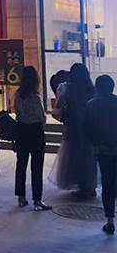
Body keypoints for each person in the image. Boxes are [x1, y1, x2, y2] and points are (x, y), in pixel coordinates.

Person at [51, 63, 98, 198]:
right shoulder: (91, 89)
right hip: (89, 128)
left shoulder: (67, 88)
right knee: (89, 158)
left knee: (74, 157)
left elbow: (58, 106)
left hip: (73, 127)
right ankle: (90, 186)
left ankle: (81, 186)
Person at [13, 66, 51, 211]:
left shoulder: (18, 95)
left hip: (22, 130)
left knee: (21, 164)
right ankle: (37, 199)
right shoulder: (36, 97)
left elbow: (17, 111)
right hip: (36, 132)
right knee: (37, 166)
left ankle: (21, 197)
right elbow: (41, 116)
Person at [85, 75, 117, 235]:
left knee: (107, 184)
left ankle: (110, 220)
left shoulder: (90, 105)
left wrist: (96, 144)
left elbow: (88, 129)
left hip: (102, 150)